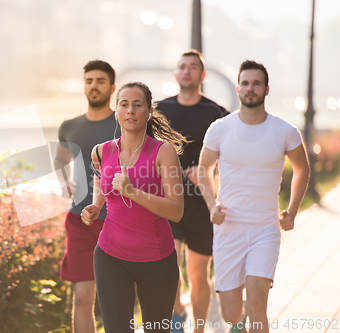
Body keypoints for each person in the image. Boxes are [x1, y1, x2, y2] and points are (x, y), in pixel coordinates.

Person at [198, 60, 310, 333]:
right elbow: (203, 170)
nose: (250, 88)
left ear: (266, 89)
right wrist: (212, 205)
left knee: (257, 304)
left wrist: (292, 210)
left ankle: (253, 311)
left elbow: (302, 169)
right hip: (228, 229)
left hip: (265, 229)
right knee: (231, 315)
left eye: (256, 83)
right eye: (245, 83)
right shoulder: (220, 129)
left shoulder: (284, 131)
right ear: (238, 88)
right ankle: (240, 318)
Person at [81, 82, 187, 333]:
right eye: (124, 105)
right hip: (110, 256)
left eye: (137, 105)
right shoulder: (100, 151)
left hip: (157, 261)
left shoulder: (164, 152)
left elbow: (176, 211)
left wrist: (132, 192)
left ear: (149, 111)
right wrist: (96, 205)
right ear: (116, 111)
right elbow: (100, 176)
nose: (130, 111)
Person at [156, 49, 229, 333]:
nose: (187, 71)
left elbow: (228, 161)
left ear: (202, 75)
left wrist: (207, 175)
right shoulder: (159, 111)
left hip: (202, 205)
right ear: (176, 74)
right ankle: (177, 317)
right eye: (182, 67)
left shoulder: (217, 114)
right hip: (167, 201)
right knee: (169, 269)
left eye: (193, 67)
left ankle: (199, 329)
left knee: (198, 275)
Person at [54, 60, 120, 333]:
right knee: (82, 297)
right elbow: (60, 160)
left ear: (112, 87)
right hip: (79, 220)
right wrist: (64, 181)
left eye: (100, 81)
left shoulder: (122, 123)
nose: (94, 86)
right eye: (89, 81)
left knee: (115, 299)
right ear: (84, 86)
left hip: (118, 221)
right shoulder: (70, 126)